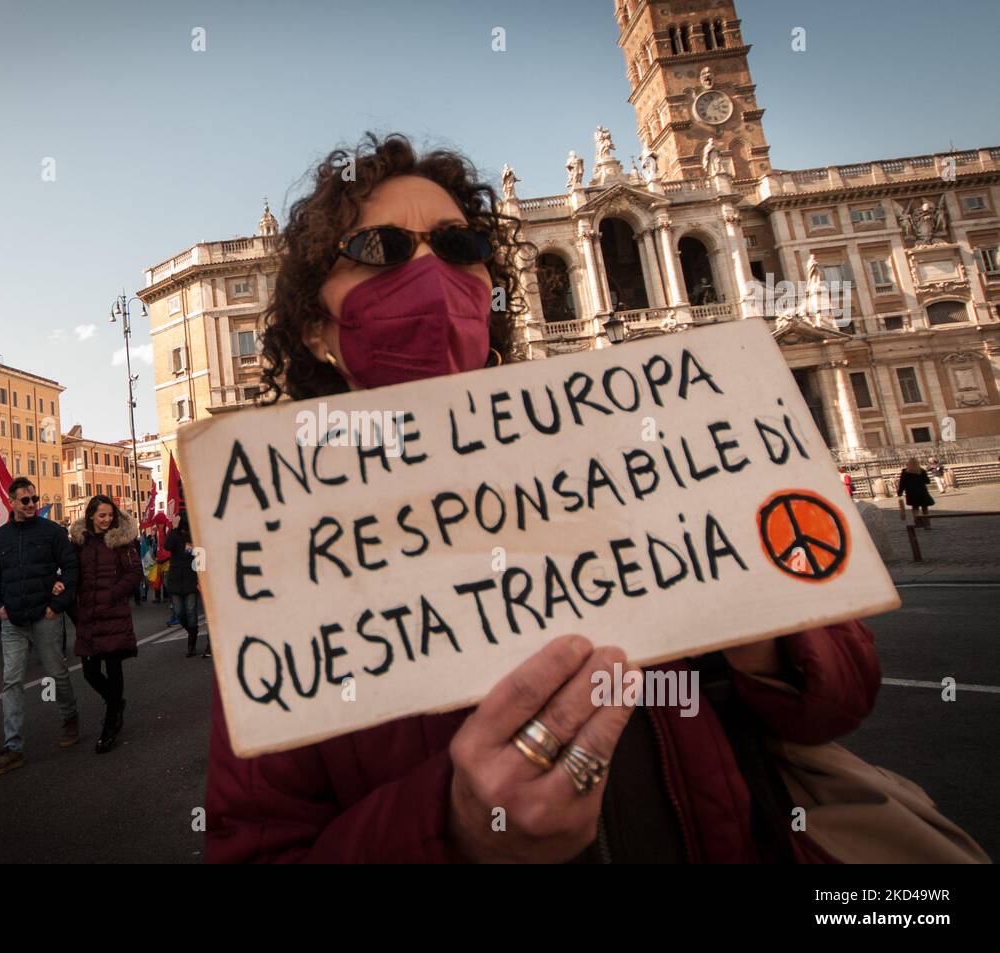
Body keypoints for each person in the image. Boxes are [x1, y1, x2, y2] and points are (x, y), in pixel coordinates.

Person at [203, 133, 881, 863]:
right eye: (382, 250)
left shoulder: (642, 451)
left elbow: (843, 693)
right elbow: (256, 848)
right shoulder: (284, 566)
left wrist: (761, 627)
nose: (431, 271)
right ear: (314, 328)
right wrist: (453, 825)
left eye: (459, 245)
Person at [0, 478, 80, 776]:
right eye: (24, 500)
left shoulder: (52, 532)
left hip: (44, 615)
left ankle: (69, 716)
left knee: (56, 671)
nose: (31, 504)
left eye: (34, 499)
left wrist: (57, 605)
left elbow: (72, 568)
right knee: (11, 681)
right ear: (10, 502)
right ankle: (13, 748)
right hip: (12, 619)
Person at [69, 495, 142, 754]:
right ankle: (116, 702)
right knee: (90, 672)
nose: (106, 520)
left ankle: (110, 724)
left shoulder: (121, 541)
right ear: (90, 515)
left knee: (113, 667)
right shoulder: (79, 542)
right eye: (101, 515)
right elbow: (72, 573)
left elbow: (135, 573)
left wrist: (112, 593)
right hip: (88, 614)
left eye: (110, 515)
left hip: (113, 614)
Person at [164, 509, 205, 658]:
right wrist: (174, 529)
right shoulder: (174, 535)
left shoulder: (195, 536)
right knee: (180, 612)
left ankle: (191, 644)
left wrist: (201, 578)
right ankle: (192, 631)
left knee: (191, 611)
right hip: (175, 580)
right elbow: (167, 546)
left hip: (190, 580)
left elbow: (200, 558)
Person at [897, 458, 935, 528]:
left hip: (911, 492)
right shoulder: (921, 471)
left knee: (915, 508)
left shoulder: (905, 472)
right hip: (922, 491)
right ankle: (927, 524)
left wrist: (900, 492)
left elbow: (902, 483)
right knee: (925, 509)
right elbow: (927, 481)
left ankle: (918, 522)